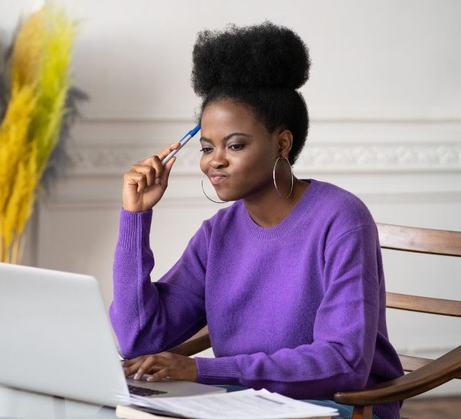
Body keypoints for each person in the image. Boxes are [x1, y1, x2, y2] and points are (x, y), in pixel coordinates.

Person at [109, 22, 404, 419]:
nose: (215, 160)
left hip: (337, 407)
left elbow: (344, 362)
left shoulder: (341, 219)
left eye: (235, 145)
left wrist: (203, 369)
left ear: (282, 142)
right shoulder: (218, 233)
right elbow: (138, 337)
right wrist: (135, 216)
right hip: (241, 404)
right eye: (208, 147)